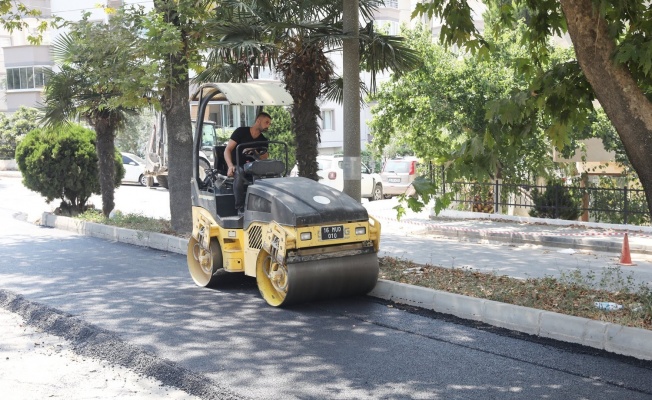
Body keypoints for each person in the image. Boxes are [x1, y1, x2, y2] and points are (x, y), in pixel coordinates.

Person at [224, 112, 272, 213]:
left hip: (253, 166)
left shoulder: (263, 139)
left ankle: (260, 207)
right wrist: (230, 166)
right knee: (239, 173)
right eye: (266, 122)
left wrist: (255, 152)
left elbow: (264, 157)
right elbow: (227, 150)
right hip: (237, 165)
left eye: (269, 124)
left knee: (263, 177)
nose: (268, 125)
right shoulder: (240, 132)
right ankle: (240, 208)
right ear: (258, 121)